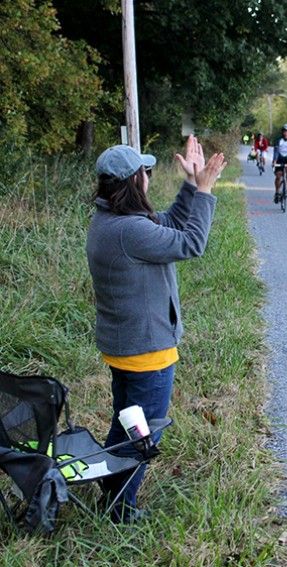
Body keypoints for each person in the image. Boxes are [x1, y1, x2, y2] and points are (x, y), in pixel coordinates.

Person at [86, 136, 226, 522]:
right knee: (143, 435)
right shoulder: (130, 231)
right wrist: (206, 189)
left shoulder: (113, 221)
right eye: (145, 172)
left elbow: (173, 222)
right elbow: (192, 242)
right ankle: (121, 511)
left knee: (125, 423)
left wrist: (190, 185)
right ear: (134, 182)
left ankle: (111, 492)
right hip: (146, 352)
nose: (149, 177)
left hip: (125, 346)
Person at [272, 124, 287, 203]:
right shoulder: (278, 139)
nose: (286, 133)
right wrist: (274, 161)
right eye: (285, 132)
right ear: (282, 132)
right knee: (278, 176)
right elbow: (276, 151)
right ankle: (277, 192)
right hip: (279, 159)